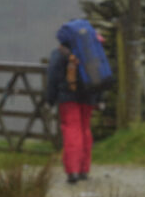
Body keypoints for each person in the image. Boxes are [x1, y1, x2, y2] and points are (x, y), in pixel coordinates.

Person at [45, 22, 106, 184]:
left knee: (72, 131)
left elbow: (52, 78)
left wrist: (49, 100)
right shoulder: (90, 52)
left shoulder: (60, 54)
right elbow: (99, 74)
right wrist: (99, 98)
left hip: (68, 98)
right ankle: (84, 169)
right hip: (89, 96)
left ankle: (72, 171)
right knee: (85, 130)